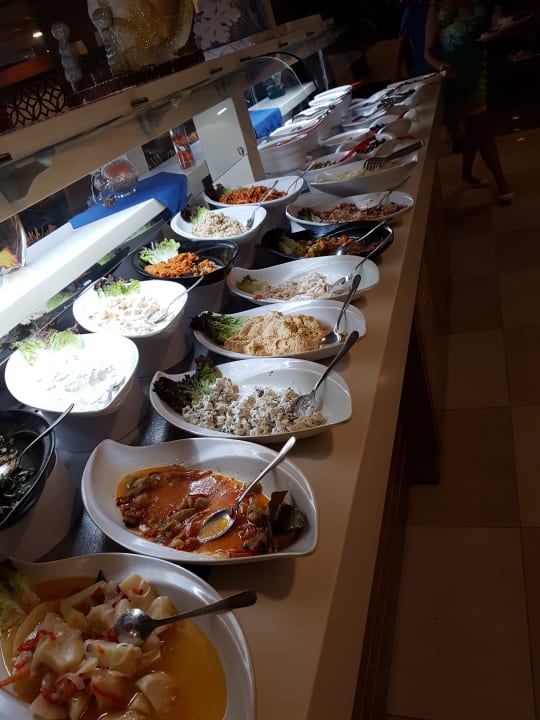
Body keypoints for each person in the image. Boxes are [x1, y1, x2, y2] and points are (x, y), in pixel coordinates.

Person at [424, 0, 513, 203]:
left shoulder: (479, 2)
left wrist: (498, 33)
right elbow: (426, 52)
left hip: (479, 71)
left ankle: (466, 174)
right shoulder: (436, 7)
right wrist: (441, 67)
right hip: (455, 75)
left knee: (472, 128)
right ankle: (502, 183)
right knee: (481, 125)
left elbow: (487, 31)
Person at [394, 0, 432, 81]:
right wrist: (396, 77)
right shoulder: (412, 10)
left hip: (446, 61)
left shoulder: (442, 6)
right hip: (425, 70)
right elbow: (401, 44)